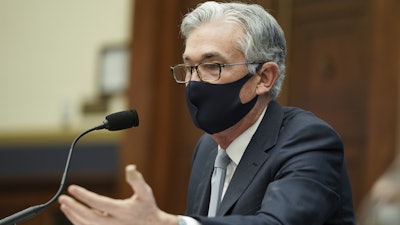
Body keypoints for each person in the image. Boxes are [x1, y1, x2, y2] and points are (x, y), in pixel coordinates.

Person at [58, 1, 356, 225]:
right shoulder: (207, 149)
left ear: (263, 78)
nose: (194, 81)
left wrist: (169, 224)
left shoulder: (309, 140)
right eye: (189, 67)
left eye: (213, 66)